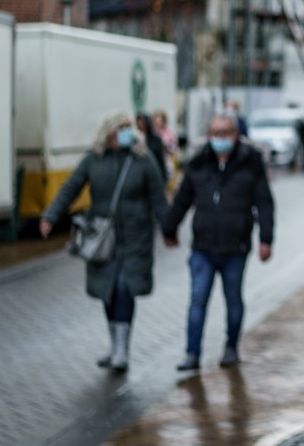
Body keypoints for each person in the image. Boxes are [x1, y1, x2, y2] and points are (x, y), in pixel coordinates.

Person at [40, 111, 169, 374]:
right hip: (102, 238)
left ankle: (122, 349)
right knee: (107, 291)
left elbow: (158, 196)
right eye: (120, 129)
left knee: (124, 287)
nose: (126, 133)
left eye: (128, 128)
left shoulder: (142, 159)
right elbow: (70, 188)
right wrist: (50, 216)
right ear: (108, 133)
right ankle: (114, 346)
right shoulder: (93, 160)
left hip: (136, 237)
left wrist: (170, 228)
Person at [162, 114, 275, 371]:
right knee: (197, 300)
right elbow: (182, 199)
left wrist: (266, 239)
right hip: (203, 247)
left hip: (236, 247)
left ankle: (231, 348)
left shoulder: (250, 164)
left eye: (225, 133)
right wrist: (170, 228)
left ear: (235, 135)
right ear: (208, 135)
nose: (220, 139)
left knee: (233, 300)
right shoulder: (198, 164)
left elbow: (264, 203)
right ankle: (192, 354)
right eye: (215, 133)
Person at [136, 113, 167, 182]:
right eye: (139, 122)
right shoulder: (134, 140)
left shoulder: (156, 140)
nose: (140, 125)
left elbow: (160, 159)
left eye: (142, 122)